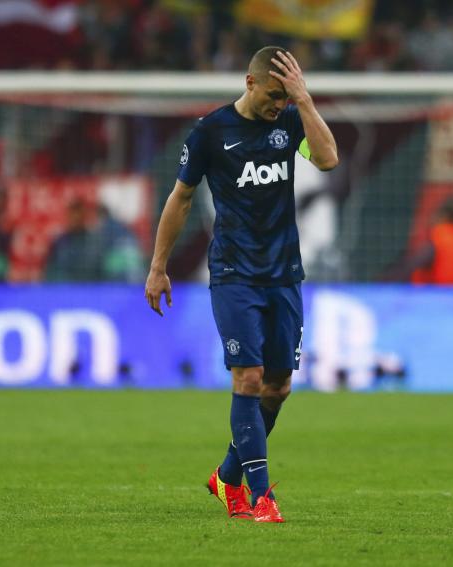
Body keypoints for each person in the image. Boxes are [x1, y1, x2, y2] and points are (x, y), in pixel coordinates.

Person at [144, 46, 338, 523]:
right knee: (248, 378)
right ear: (249, 83)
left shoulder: (290, 123)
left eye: (285, 97)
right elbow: (181, 199)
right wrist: (158, 265)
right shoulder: (211, 133)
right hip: (234, 274)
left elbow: (329, 160)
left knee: (278, 387)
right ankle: (259, 496)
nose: (279, 105)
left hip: (284, 274)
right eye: (274, 95)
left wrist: (304, 101)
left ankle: (227, 475)